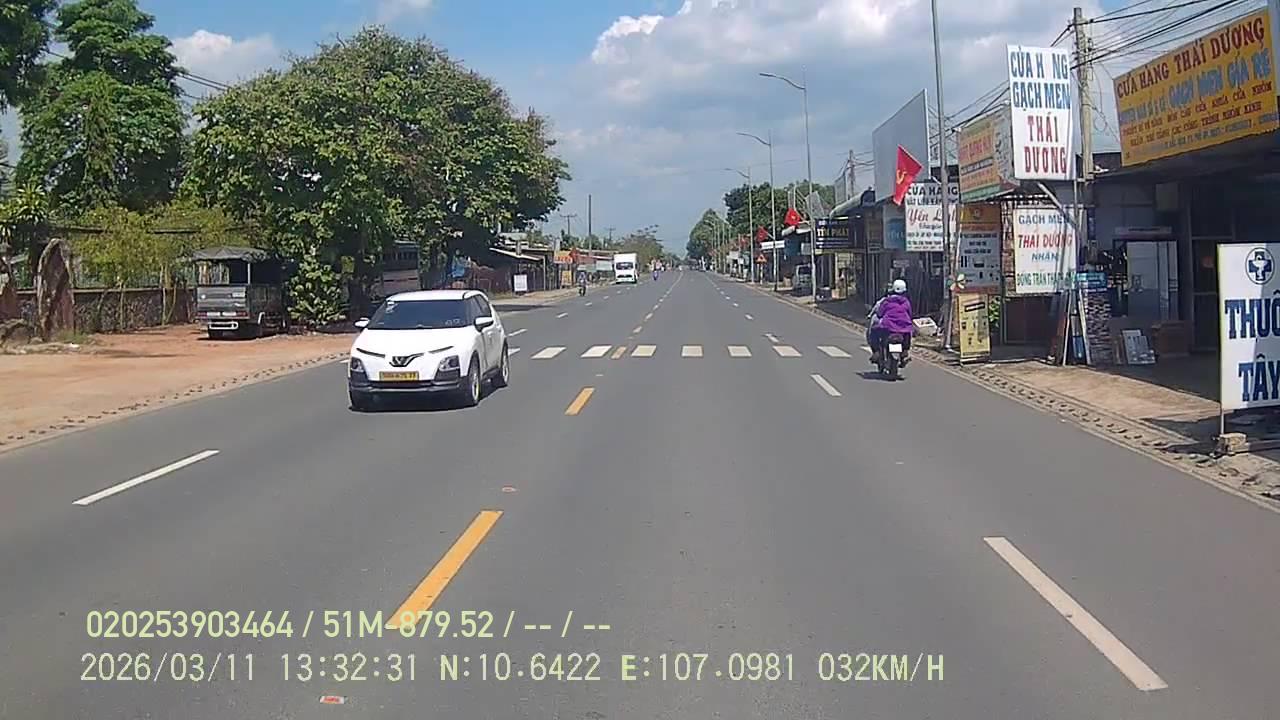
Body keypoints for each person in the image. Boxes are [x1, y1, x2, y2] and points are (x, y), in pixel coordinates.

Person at [868, 279, 914, 365]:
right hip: (904, 328)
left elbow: (880, 313)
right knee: (908, 334)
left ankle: (876, 352)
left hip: (888, 326)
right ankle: (905, 353)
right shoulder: (906, 302)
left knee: (874, 331)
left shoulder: (887, 301)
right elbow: (910, 314)